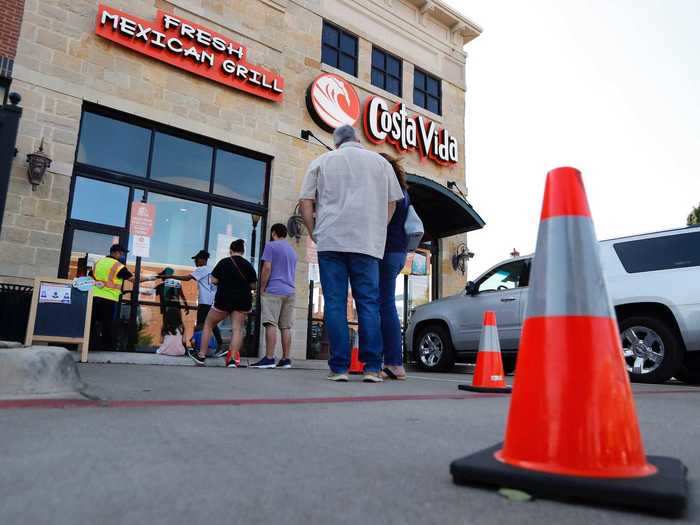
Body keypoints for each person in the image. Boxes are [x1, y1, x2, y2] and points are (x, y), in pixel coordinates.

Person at [299, 124, 404, 382]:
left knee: (334, 304)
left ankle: (339, 368)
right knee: (368, 303)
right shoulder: (380, 164)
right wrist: (379, 227)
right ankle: (371, 368)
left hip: (331, 240)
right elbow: (392, 202)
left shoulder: (321, 161)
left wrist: (314, 232)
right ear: (357, 139)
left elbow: (305, 201)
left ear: (336, 143)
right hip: (367, 242)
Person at [187, 239, 257, 367]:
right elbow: (253, 285)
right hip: (242, 300)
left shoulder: (224, 262)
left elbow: (213, 280)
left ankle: (201, 355)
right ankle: (232, 359)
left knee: (208, 323)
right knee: (237, 329)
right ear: (243, 251)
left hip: (223, 299)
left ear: (230, 250)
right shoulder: (248, 265)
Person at [378, 154, 410, 380]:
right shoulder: (403, 191)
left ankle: (394, 363)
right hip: (399, 252)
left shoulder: (388, 191)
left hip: (387, 251)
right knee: (385, 304)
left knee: (385, 305)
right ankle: (391, 362)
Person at [250, 223, 298, 369]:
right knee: (286, 326)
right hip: (290, 291)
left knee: (270, 323)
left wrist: (262, 287)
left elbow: (267, 267)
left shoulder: (271, 246)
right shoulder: (292, 251)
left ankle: (269, 358)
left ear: (273, 233)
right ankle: (286, 359)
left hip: (274, 290)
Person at [164, 250, 224, 353]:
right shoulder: (212, 269)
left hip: (205, 302)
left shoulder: (202, 269)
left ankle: (198, 347)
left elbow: (187, 278)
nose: (195, 262)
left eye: (196, 260)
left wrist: (171, 276)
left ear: (202, 259)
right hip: (213, 302)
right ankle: (218, 345)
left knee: (200, 325)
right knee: (211, 324)